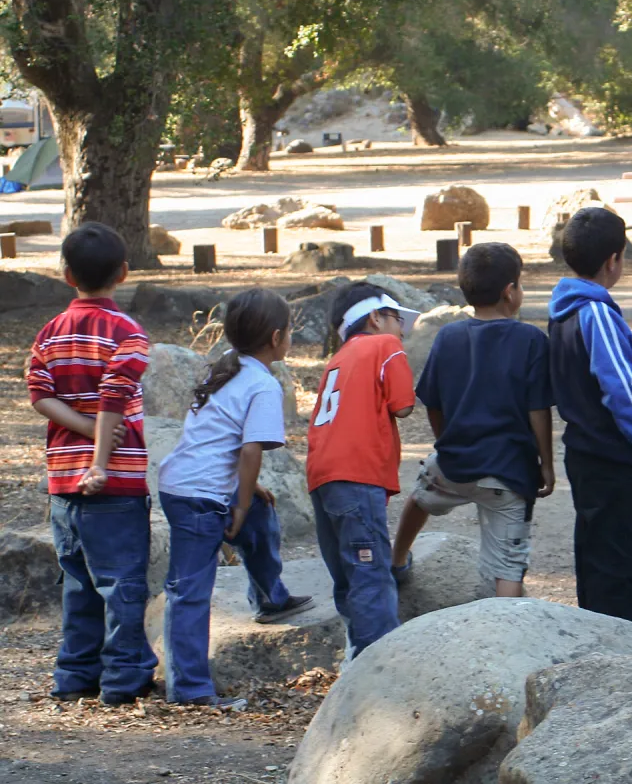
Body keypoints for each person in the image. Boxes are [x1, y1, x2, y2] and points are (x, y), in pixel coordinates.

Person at [157, 288, 314, 707]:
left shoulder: (227, 367)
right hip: (198, 495)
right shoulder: (262, 384)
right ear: (277, 336)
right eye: (291, 331)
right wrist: (238, 503)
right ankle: (189, 689)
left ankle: (271, 597)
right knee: (189, 590)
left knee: (261, 510)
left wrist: (248, 495)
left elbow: (219, 438)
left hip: (188, 483)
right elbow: (250, 449)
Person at [27, 223, 157, 705]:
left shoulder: (50, 332)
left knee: (79, 582)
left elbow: (40, 395)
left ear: (66, 276)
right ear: (124, 272)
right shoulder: (128, 333)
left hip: (63, 482)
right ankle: (124, 678)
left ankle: (74, 676)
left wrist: (79, 432)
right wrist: (99, 460)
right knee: (120, 582)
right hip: (114, 483)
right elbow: (114, 398)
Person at [391, 243, 555, 598]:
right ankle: (506, 623)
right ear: (510, 292)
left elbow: (432, 402)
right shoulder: (530, 339)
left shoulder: (449, 336)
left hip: (454, 465)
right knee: (509, 563)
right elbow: (538, 410)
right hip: (508, 476)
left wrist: (446, 440)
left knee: (421, 494)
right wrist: (546, 465)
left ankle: (397, 558)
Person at [548, 207, 632, 624]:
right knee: (624, 562)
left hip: (582, 449)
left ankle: (596, 633)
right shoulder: (596, 312)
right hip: (611, 454)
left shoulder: (561, 311)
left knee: (596, 553)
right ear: (614, 260)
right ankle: (619, 651)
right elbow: (619, 385)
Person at [305, 282, 419, 659]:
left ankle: (355, 653)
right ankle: (380, 668)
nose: (402, 330)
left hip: (322, 476)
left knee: (347, 575)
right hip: (358, 475)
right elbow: (403, 405)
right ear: (375, 317)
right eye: (398, 319)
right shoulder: (384, 345)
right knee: (371, 575)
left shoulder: (337, 360)